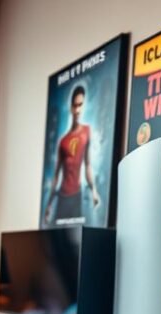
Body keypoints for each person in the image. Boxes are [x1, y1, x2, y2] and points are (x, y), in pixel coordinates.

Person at [43, 85, 100, 225]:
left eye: (80, 105)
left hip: (77, 195)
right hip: (63, 197)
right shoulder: (63, 141)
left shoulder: (87, 131)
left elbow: (87, 165)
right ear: (71, 107)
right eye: (75, 106)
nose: (78, 110)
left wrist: (93, 191)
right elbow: (56, 175)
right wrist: (49, 204)